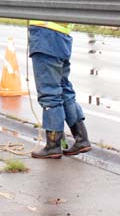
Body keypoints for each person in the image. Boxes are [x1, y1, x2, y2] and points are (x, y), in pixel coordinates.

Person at [28, 20, 91, 159]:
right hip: (62, 37)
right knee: (64, 90)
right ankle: (81, 138)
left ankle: (53, 145)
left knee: (49, 93)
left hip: (45, 36)